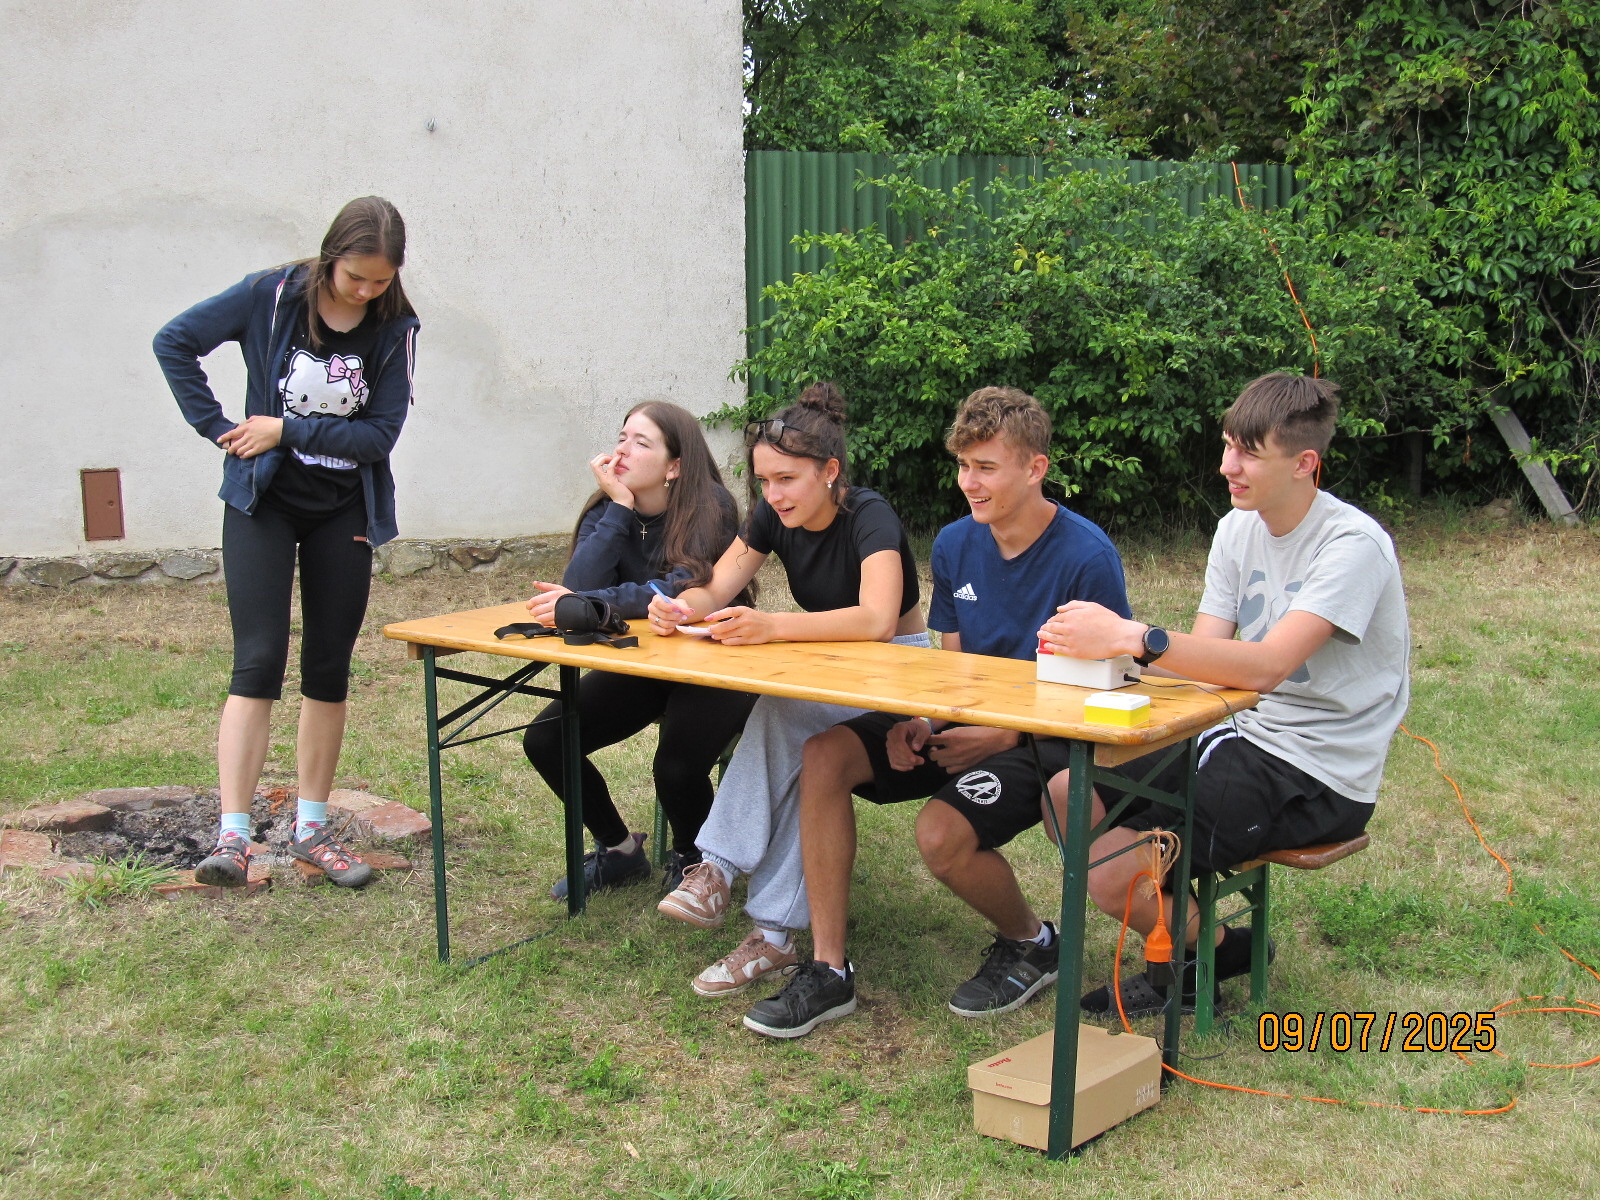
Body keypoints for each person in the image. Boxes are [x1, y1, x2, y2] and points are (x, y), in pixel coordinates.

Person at [743, 385, 1130, 1038]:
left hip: (1044, 738)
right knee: (825, 754)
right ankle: (829, 970)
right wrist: (923, 721)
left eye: (986, 468)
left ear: (1035, 468)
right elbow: (951, 668)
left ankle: (1033, 942)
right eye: (963, 466)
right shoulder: (954, 544)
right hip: (966, 720)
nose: (968, 484)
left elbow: (1101, 691)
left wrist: (1001, 733)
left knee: (939, 835)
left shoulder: (1087, 557)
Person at [1038, 372, 1409, 1016]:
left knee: (1113, 872)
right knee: (1066, 795)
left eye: (1248, 454)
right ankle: (1210, 947)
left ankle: (1182, 959)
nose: (1226, 466)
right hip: (1236, 729)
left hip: (1317, 770)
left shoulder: (1353, 546)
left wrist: (1133, 635)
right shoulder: (1238, 527)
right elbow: (1204, 661)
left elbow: (1265, 667)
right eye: (1228, 445)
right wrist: (1105, 660)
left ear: (1304, 464)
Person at [153, 197, 419, 888]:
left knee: (328, 667)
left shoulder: (395, 328)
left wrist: (285, 428)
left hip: (343, 510)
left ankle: (310, 829)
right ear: (331, 257)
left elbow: (379, 435)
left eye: (380, 281)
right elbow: (173, 341)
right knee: (258, 660)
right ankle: (233, 837)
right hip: (262, 504)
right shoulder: (269, 297)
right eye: (355, 277)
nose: (365, 291)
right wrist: (219, 427)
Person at [649, 382, 930, 1000]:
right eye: (762, 482)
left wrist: (773, 627)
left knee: (782, 713)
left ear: (830, 472)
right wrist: (679, 608)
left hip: (901, 672)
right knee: (807, 750)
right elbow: (716, 588)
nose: (773, 495)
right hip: (829, 667)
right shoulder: (772, 516)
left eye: (786, 479)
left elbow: (877, 619)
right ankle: (769, 930)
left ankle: (719, 870)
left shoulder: (870, 515)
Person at [520, 401, 757, 898]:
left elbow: (681, 588)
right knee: (547, 739)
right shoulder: (608, 508)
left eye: (641, 442)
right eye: (622, 437)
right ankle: (620, 850)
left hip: (718, 657)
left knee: (676, 766)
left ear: (674, 466)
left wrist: (594, 606)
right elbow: (577, 590)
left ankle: (695, 861)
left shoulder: (710, 506)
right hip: (645, 662)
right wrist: (620, 508)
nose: (622, 450)